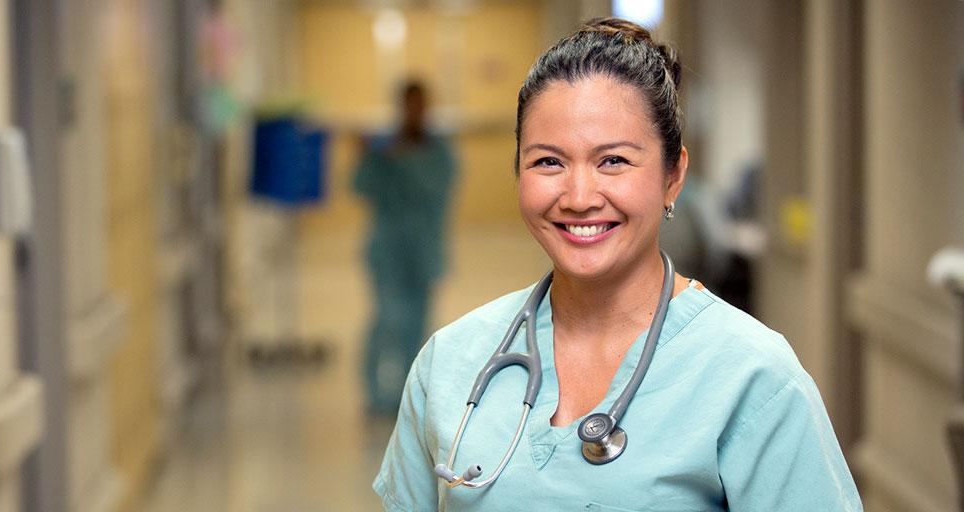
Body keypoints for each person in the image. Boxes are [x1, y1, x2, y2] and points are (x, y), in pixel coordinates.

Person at [373, 18, 862, 511]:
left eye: (613, 161)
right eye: (548, 162)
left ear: (673, 177)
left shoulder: (752, 377)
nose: (579, 197)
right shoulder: (451, 363)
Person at [355, 80, 457, 415]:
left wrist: (402, 160)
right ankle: (375, 394)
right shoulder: (381, 147)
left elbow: (438, 189)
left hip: (425, 248)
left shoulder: (437, 150)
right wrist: (369, 156)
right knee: (387, 317)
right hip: (387, 248)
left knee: (419, 323)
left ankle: (407, 394)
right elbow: (359, 186)